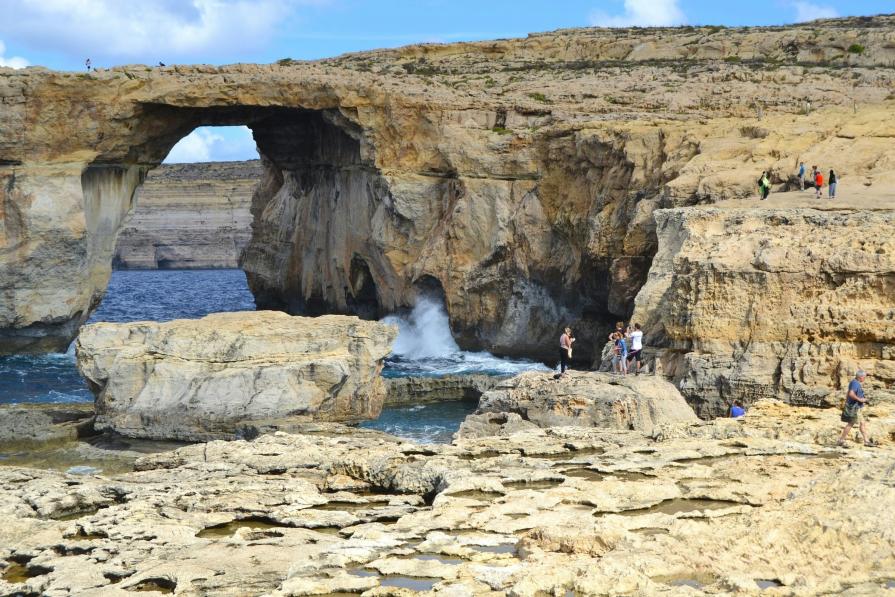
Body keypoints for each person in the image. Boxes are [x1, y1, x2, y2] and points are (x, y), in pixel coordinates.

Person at [838, 370, 873, 447]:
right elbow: (851, 393)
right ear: (860, 377)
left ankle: (866, 441)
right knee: (851, 423)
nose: (864, 379)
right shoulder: (855, 383)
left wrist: (867, 373)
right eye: (864, 377)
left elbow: (849, 393)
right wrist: (860, 399)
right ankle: (841, 440)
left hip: (857, 407)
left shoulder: (855, 382)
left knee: (862, 423)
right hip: (855, 407)